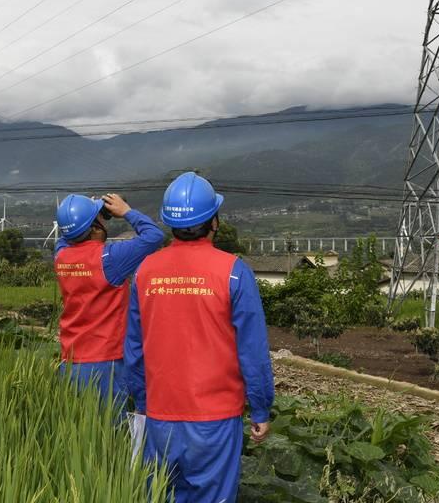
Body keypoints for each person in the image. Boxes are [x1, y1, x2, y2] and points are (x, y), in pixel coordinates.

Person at [125, 172, 274, 503]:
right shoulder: (235, 272)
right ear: (214, 222)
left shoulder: (145, 271)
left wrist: (143, 402)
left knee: (160, 494)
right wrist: (261, 408)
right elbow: (253, 352)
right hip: (215, 421)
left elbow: (134, 348)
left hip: (160, 416)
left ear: (169, 224)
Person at [54, 192, 164, 407]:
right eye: (101, 219)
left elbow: (67, 236)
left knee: (76, 430)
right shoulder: (110, 258)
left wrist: (85, 219)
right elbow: (154, 236)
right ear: (95, 228)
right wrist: (126, 212)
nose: (104, 221)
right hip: (105, 362)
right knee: (110, 431)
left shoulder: (61, 256)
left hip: (70, 359)